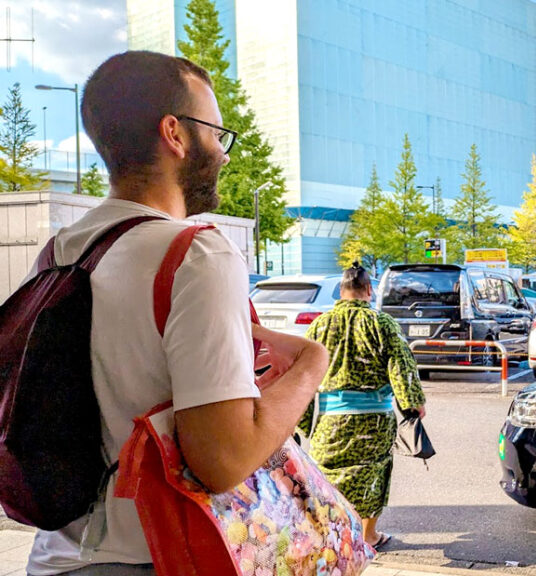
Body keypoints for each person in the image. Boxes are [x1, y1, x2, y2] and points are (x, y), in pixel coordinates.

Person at [23, 51, 329, 576]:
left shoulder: (59, 253)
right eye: (216, 132)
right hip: (159, 556)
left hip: (58, 557)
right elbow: (222, 461)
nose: (224, 153)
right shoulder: (197, 253)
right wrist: (310, 366)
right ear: (176, 134)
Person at [302, 263, 426, 549]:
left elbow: (304, 372)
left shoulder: (319, 325)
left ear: (341, 291)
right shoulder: (382, 324)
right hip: (374, 420)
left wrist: (304, 421)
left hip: (329, 419)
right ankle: (368, 536)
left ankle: (330, 535)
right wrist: (413, 404)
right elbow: (401, 365)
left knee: (326, 475)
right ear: (369, 291)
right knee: (373, 475)